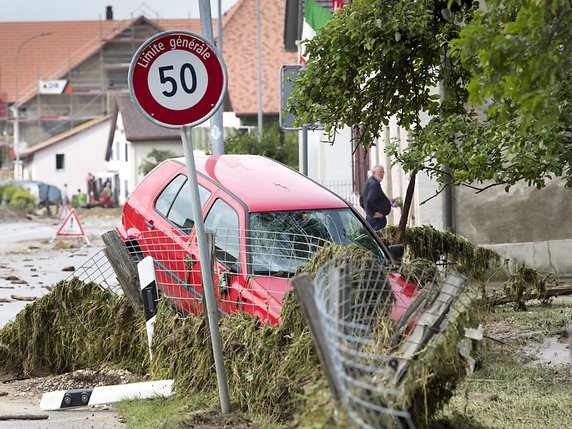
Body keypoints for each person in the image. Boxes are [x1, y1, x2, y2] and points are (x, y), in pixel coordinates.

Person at [360, 165, 391, 231]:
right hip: (376, 219)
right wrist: (373, 213)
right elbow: (369, 200)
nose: (382, 174)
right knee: (376, 237)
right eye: (380, 172)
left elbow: (362, 201)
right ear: (374, 173)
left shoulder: (368, 182)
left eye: (383, 172)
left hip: (372, 218)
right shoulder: (374, 184)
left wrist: (368, 212)